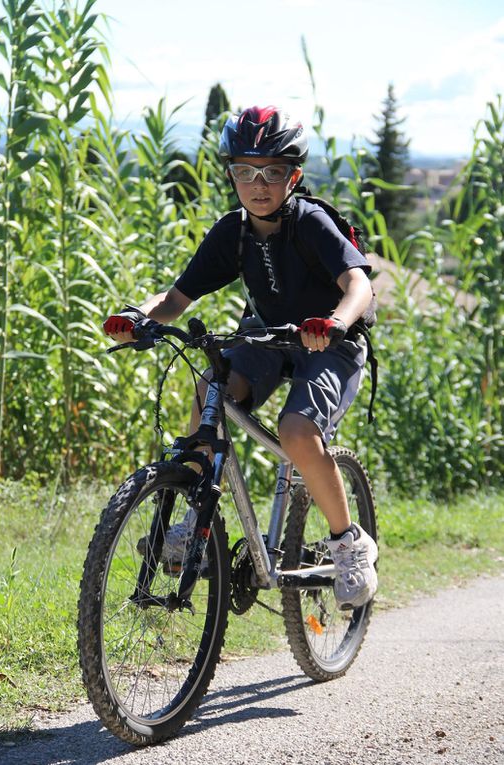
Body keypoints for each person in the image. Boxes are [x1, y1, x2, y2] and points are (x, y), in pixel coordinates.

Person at [104, 105, 378, 609]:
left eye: (272, 172)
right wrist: (133, 317)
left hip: (331, 342)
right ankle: (194, 525)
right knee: (211, 389)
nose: (258, 184)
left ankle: (348, 544)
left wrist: (336, 321)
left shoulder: (311, 222)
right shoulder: (232, 232)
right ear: (231, 175)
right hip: (268, 338)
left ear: (293, 176)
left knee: (297, 431)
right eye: (244, 171)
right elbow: (174, 299)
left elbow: (358, 282)